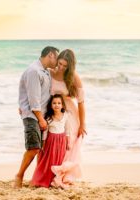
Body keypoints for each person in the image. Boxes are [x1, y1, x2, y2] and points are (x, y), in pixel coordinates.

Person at [14, 46, 59, 188]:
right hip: (33, 115)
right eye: (56, 57)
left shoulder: (46, 71)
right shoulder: (34, 71)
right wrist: (40, 119)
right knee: (34, 148)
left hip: (41, 115)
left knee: (40, 149)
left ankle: (38, 178)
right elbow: (34, 100)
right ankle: (19, 175)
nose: (57, 61)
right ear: (51, 55)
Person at [49, 49, 87, 188]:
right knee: (52, 143)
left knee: (67, 144)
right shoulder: (50, 72)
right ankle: (51, 173)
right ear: (57, 60)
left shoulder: (74, 77)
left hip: (70, 114)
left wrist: (82, 124)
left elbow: (81, 103)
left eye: (66, 66)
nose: (62, 67)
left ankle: (64, 175)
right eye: (60, 63)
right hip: (53, 112)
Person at [31, 94, 70, 188]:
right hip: (51, 141)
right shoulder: (49, 117)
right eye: (54, 103)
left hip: (61, 140)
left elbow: (67, 129)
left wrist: (68, 142)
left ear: (62, 105)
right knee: (50, 160)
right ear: (51, 105)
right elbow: (45, 132)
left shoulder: (65, 115)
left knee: (59, 160)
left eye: (59, 103)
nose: (56, 105)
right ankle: (46, 179)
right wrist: (43, 143)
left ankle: (56, 179)